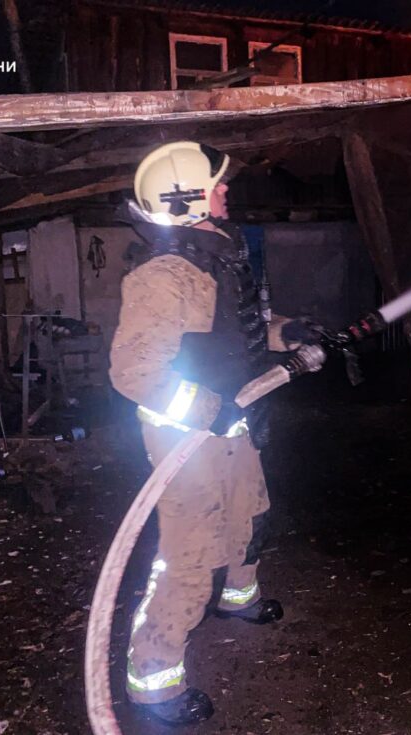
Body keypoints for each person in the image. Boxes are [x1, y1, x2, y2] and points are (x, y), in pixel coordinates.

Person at [109, 141, 321, 726]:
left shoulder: (216, 258)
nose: (226, 191)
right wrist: (209, 410)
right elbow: (135, 372)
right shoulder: (162, 276)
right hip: (185, 436)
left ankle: (238, 598)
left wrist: (289, 332)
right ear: (184, 200)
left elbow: (235, 330)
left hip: (234, 419)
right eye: (216, 185)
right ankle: (154, 683)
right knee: (190, 553)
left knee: (250, 514)